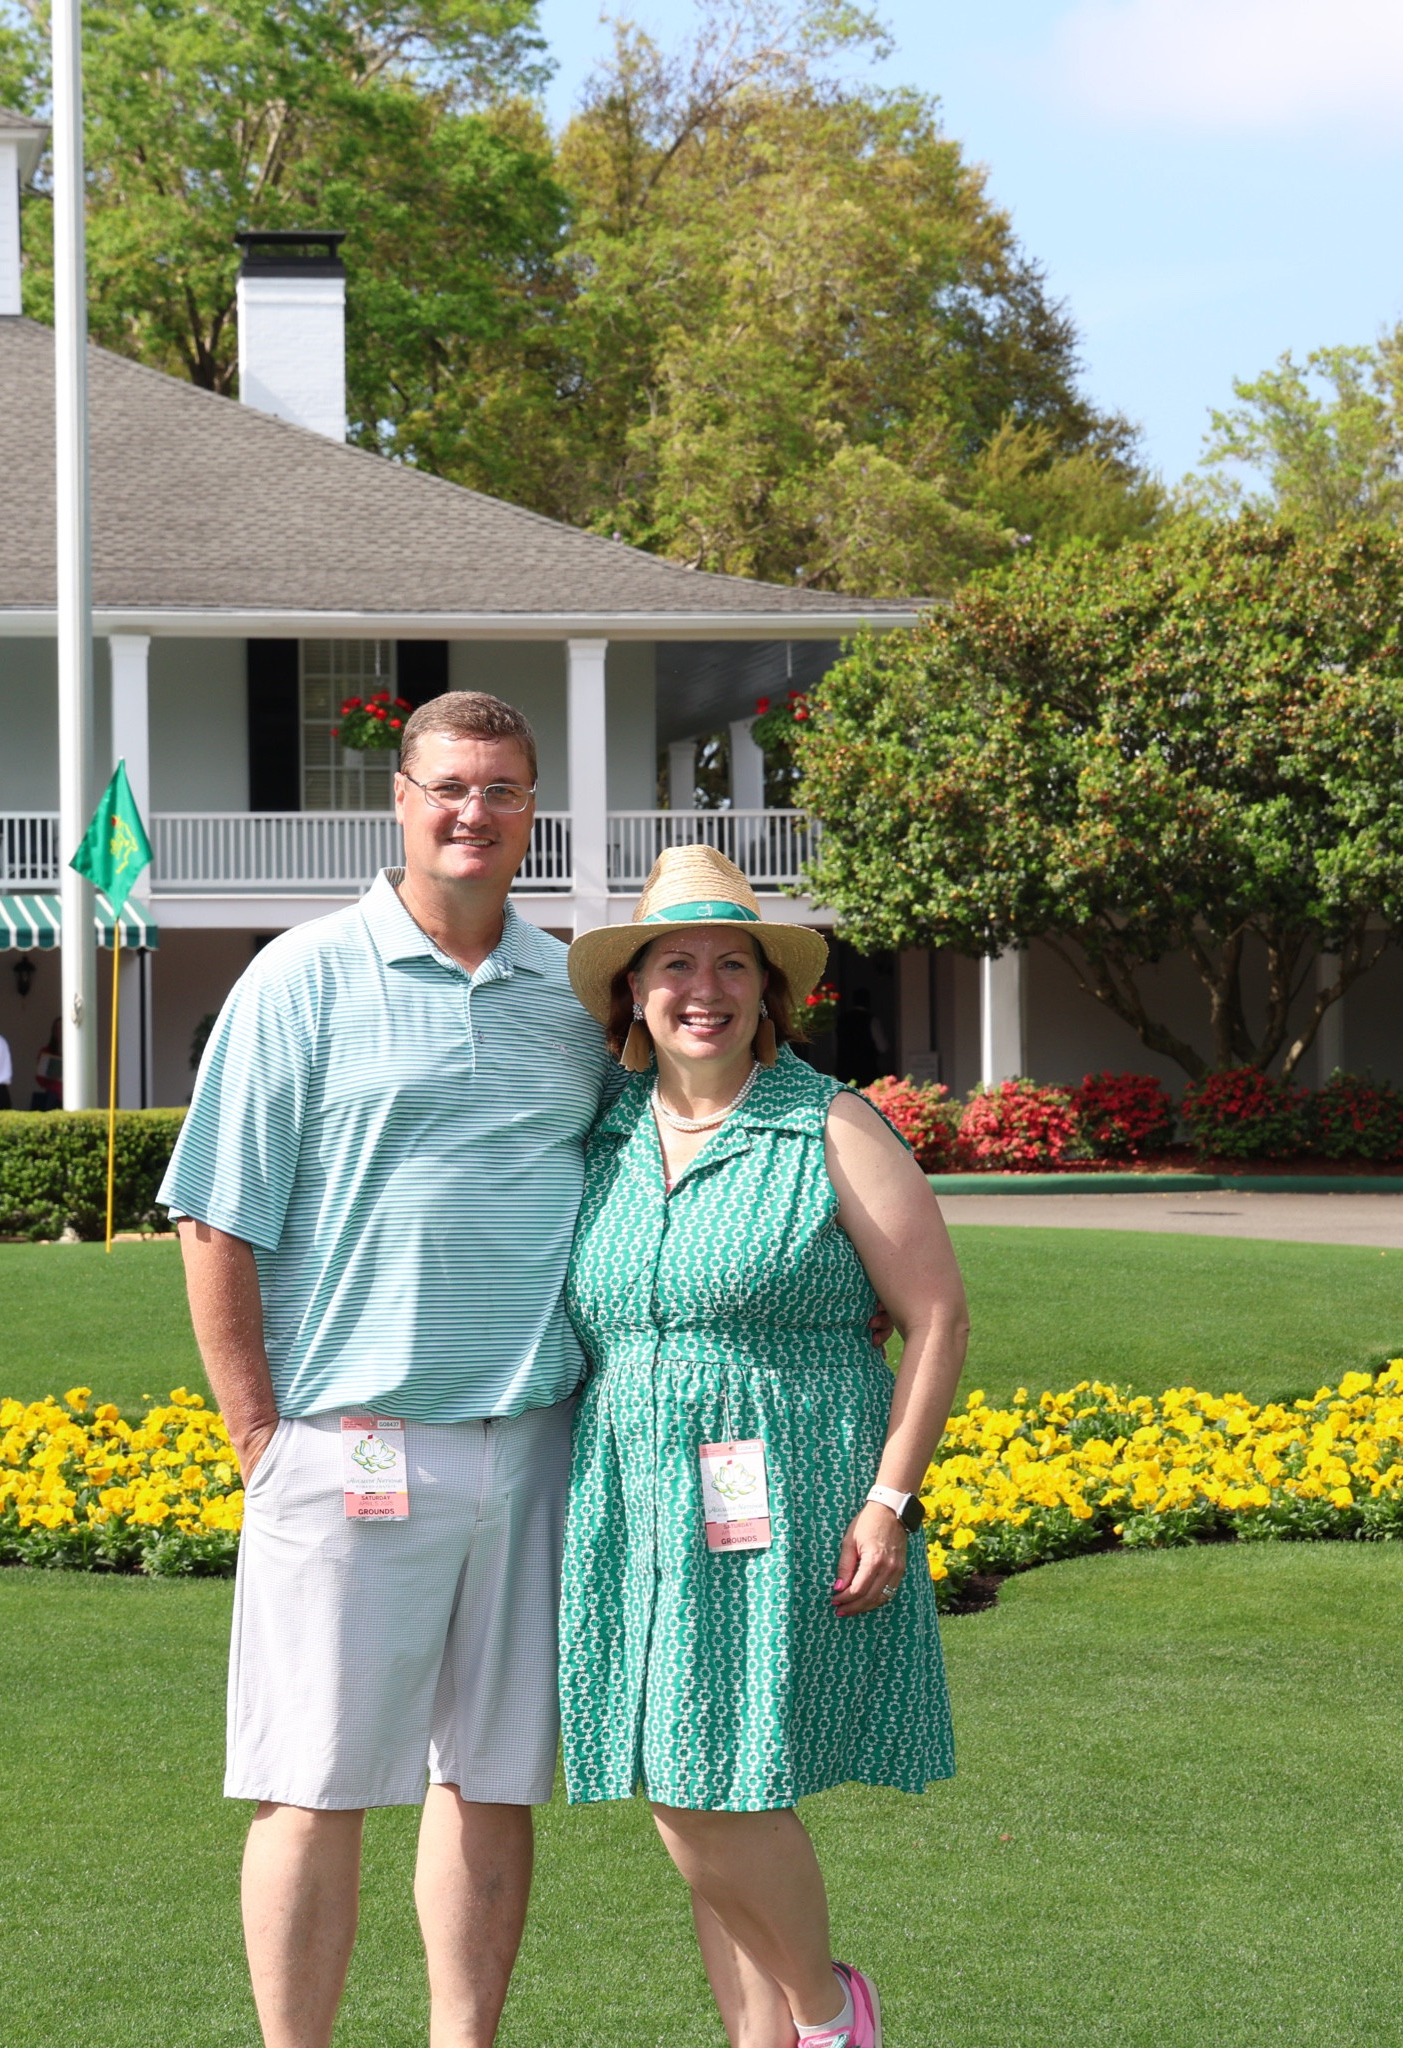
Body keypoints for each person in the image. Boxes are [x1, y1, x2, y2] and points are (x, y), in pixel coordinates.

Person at [158, 693, 616, 2048]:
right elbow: (214, 1215)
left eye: (503, 788)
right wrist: (260, 1435)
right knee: (314, 1783)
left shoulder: (573, 998)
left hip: (530, 1441)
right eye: (448, 786)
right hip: (346, 1438)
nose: (474, 811)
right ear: (400, 801)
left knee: (492, 1778)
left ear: (532, 812)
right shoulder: (300, 977)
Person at [557, 846, 969, 2048]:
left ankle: (831, 2015)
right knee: (708, 1777)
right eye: (675, 963)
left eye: (731, 963)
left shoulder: (827, 1121)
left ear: (768, 992)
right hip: (633, 1495)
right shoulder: (605, 1132)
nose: (705, 987)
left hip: (784, 1489)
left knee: (702, 1786)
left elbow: (937, 1314)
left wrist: (888, 1498)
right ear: (633, 992)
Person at [31, 1018, 64, 1111]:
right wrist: (50, 1077)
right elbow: (40, 1078)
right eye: (57, 1029)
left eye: (62, 1028)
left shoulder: (76, 1051)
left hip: (72, 1093)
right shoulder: (46, 1052)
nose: (60, 1031)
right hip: (53, 1095)